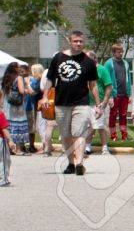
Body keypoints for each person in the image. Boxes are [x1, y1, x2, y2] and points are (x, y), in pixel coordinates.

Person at [47, 29, 102, 175]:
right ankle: (71, 163)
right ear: (70, 41)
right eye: (75, 41)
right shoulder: (58, 58)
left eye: (81, 41)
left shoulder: (88, 62)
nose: (78, 44)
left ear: (84, 42)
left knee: (79, 133)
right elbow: (50, 79)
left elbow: (93, 85)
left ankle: (79, 163)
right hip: (61, 102)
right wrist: (45, 97)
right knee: (65, 135)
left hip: (81, 103)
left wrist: (98, 105)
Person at [3, 63, 29, 156]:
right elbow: (22, 91)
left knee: (9, 126)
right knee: (18, 126)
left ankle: (9, 149)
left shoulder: (6, 78)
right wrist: (28, 90)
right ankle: (17, 149)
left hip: (8, 104)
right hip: (17, 106)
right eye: (18, 67)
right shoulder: (18, 78)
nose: (20, 68)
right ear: (14, 68)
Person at [107, 43, 131, 142]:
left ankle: (124, 135)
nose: (121, 53)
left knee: (123, 115)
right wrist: (109, 96)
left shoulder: (126, 63)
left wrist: (129, 92)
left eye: (121, 51)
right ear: (114, 52)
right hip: (114, 95)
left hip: (124, 94)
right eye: (118, 52)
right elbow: (106, 79)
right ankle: (113, 135)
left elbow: (128, 78)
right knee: (112, 115)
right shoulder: (109, 63)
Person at [92, 54, 115, 156]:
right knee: (88, 126)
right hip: (87, 102)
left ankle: (105, 147)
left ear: (94, 59)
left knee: (101, 126)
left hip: (100, 102)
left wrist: (105, 101)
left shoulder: (102, 70)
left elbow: (109, 87)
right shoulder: (85, 69)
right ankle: (87, 146)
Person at [33, 65, 54, 156]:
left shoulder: (47, 72)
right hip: (62, 101)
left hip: (49, 100)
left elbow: (42, 88)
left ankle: (47, 148)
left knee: (48, 126)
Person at [25, 63, 42, 154]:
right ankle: (30, 145)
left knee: (31, 126)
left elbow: (31, 92)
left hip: (31, 106)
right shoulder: (35, 80)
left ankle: (31, 145)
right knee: (30, 126)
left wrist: (27, 83)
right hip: (29, 105)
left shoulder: (36, 80)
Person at [0, 108, 13, 185]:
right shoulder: (0, 114)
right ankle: (3, 179)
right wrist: (10, 140)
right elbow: (4, 129)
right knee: (4, 160)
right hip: (1, 140)